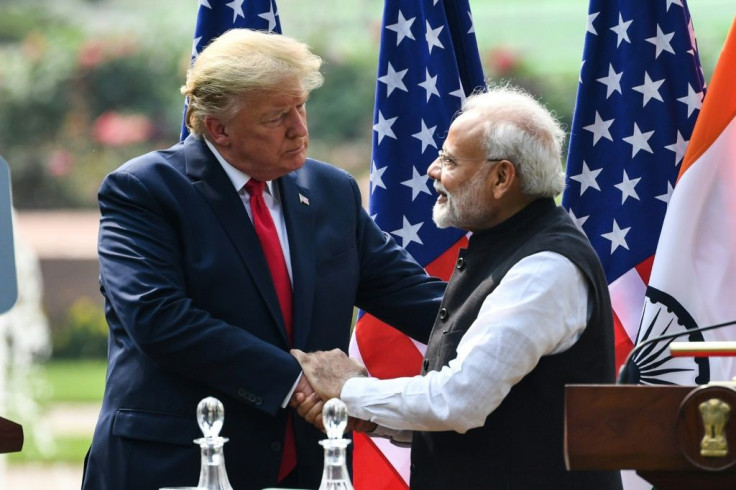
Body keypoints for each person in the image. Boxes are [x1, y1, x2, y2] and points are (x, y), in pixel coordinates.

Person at [81, 28, 445, 490]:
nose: (299, 127)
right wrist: (298, 382)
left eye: (301, 106)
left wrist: (515, 324)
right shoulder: (145, 191)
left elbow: (412, 295)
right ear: (219, 128)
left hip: (309, 468)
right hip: (179, 465)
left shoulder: (331, 191)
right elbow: (159, 319)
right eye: (276, 117)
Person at [292, 85, 623, 489]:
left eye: (449, 160)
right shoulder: (507, 246)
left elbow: (459, 402)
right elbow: (497, 417)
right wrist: (371, 413)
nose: (432, 170)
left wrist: (349, 388)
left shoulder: (543, 269)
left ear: (502, 177)